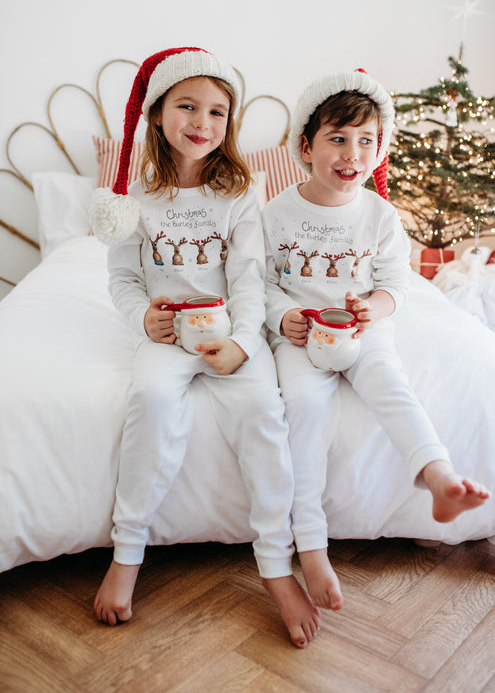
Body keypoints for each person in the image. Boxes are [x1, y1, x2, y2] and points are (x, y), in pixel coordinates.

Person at [89, 47, 320, 648]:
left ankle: (276, 564)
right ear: (158, 114)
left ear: (230, 124)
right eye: (187, 106)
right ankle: (128, 552)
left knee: (264, 416)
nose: (202, 122)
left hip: (231, 335)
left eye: (218, 112)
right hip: (168, 335)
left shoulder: (242, 191)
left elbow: (249, 279)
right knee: (151, 402)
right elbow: (122, 279)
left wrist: (245, 343)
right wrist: (145, 318)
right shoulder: (134, 195)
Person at [261, 68, 490, 612]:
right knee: (303, 409)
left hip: (362, 329)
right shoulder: (277, 212)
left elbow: (396, 283)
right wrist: (283, 317)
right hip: (302, 337)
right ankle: (311, 547)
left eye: (367, 141)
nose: (352, 154)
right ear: (305, 146)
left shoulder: (382, 215)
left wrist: (375, 308)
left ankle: (438, 477)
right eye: (338, 139)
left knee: (391, 384)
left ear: (380, 148)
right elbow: (260, 282)